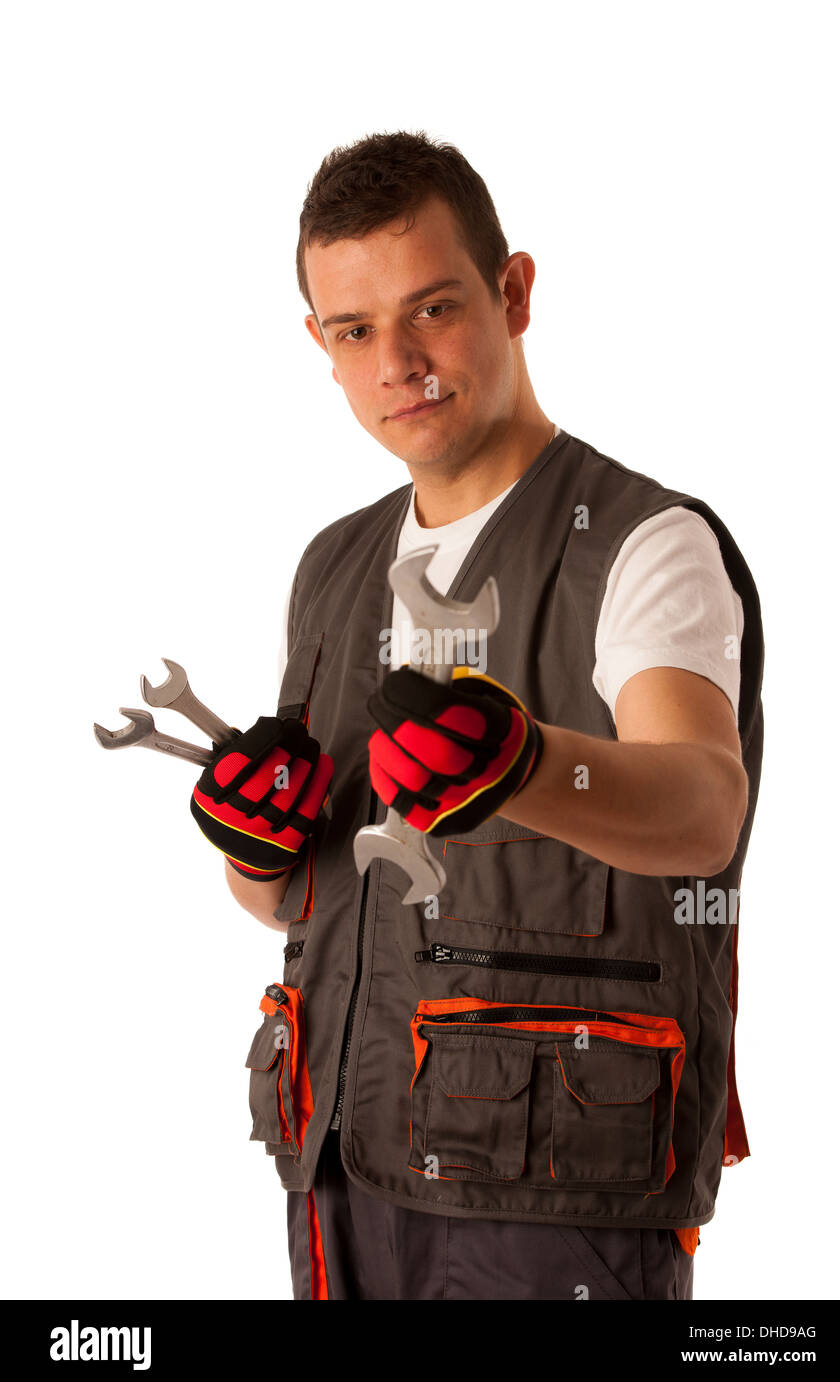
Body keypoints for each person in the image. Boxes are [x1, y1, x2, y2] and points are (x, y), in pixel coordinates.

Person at [190, 131, 763, 1301]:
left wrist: (527, 764)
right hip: (339, 1170)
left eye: (431, 309)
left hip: (551, 1194)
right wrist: (253, 852)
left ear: (510, 294)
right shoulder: (333, 564)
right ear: (322, 347)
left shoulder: (643, 542)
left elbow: (704, 806)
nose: (397, 360)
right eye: (355, 332)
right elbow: (290, 904)